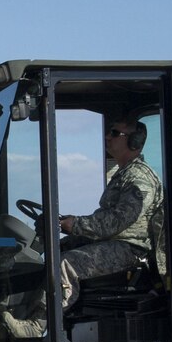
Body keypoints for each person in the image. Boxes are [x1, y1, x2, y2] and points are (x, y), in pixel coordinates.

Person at [57, 115, 163, 313]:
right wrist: (71, 225)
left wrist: (76, 225)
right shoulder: (124, 174)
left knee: (65, 263)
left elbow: (117, 221)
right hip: (116, 243)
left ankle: (41, 324)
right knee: (57, 249)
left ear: (134, 142)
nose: (107, 137)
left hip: (131, 250)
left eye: (114, 133)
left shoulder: (139, 178)